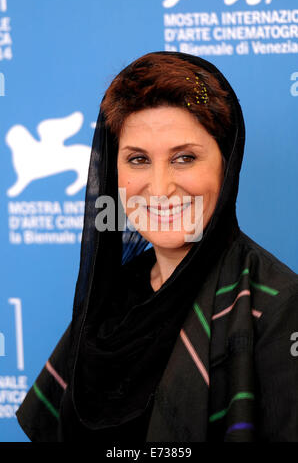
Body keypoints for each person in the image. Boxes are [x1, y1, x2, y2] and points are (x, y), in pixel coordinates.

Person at [16, 51, 298, 442]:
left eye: (184, 158)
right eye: (138, 159)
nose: (160, 188)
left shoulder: (277, 304)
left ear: (227, 162)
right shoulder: (111, 296)